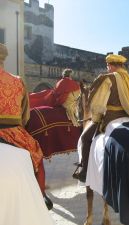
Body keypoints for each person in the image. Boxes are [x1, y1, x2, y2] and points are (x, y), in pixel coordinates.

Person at [73, 54, 129, 182]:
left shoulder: (107, 78)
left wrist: (96, 118)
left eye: (107, 66)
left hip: (111, 117)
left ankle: (84, 171)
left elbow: (97, 105)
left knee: (85, 138)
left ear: (110, 65)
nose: (107, 69)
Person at [0, 43, 52, 209]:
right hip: (13, 131)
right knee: (37, 156)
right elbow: (25, 115)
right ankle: (41, 195)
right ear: (4, 58)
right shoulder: (18, 81)